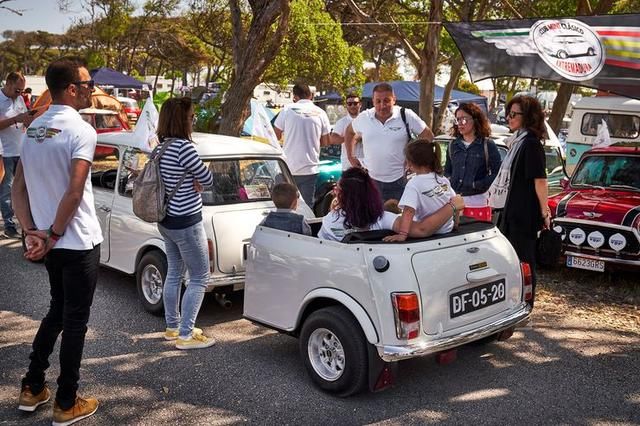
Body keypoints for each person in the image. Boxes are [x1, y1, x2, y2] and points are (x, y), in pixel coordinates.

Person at [12, 57, 103, 425]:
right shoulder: (81, 131)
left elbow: (18, 188)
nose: (91, 90)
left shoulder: (32, 129)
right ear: (71, 89)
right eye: (87, 84)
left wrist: (31, 231)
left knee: (56, 311)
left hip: (51, 242)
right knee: (75, 321)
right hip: (76, 241)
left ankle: (32, 386)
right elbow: (74, 191)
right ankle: (67, 402)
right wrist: (49, 234)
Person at [156, 97, 216, 350]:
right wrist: (199, 178)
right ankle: (186, 334)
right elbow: (208, 178)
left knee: (174, 272)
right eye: (192, 117)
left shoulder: (159, 148)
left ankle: (173, 327)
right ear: (183, 120)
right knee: (200, 276)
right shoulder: (184, 148)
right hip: (187, 222)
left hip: (166, 220)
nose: (194, 120)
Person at [488, 95, 549, 307]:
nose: (508, 117)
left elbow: (540, 180)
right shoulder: (517, 141)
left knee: (524, 259)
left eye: (514, 114)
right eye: (508, 113)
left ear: (528, 117)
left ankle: (526, 303)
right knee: (511, 259)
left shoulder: (530, 143)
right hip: (511, 211)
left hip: (524, 213)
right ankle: (514, 301)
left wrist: (545, 211)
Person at [318, 167, 463, 242]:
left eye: (337, 189)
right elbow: (422, 230)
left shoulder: (330, 221)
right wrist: (452, 206)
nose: (334, 192)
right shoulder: (383, 219)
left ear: (343, 195)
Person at [344, 82, 434, 201]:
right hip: (370, 182)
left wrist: (414, 158)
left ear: (394, 100)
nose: (382, 105)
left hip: (400, 182)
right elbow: (349, 132)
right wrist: (351, 156)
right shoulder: (364, 117)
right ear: (373, 101)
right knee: (372, 219)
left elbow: (428, 135)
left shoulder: (406, 115)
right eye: (378, 101)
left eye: (386, 100)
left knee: (398, 219)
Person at [384, 141, 457, 242]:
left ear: (410, 162)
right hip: (446, 229)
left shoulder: (414, 184)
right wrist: (456, 224)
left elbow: (409, 211)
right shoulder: (442, 179)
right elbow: (455, 204)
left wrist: (402, 234)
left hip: (430, 232)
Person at [274, 83, 331, 206]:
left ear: (295, 96)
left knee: (284, 205)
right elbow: (326, 142)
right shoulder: (321, 113)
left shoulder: (287, 110)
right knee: (306, 207)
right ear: (310, 95)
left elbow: (276, 135)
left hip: (288, 167)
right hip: (310, 168)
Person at [444, 102, 501, 207]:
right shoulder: (453, 145)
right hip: (454, 199)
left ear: (475, 120)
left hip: (478, 200)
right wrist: (449, 181)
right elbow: (447, 170)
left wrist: (478, 184)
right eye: (458, 119)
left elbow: (497, 173)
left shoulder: (487, 144)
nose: (460, 123)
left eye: (464, 119)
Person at [0, 72, 32, 238]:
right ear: (8, 83)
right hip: (4, 152)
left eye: (22, 91)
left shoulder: (19, 99)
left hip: (21, 150)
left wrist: (29, 120)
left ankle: (26, 224)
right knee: (7, 189)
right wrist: (16, 119)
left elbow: (24, 119)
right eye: (17, 90)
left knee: (23, 188)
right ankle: (9, 225)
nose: (20, 94)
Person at [330, 93, 364, 170]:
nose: (352, 106)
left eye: (355, 103)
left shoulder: (367, 120)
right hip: (348, 166)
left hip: (366, 163)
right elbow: (333, 139)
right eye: (349, 104)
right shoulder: (342, 122)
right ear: (346, 105)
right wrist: (351, 138)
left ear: (360, 104)